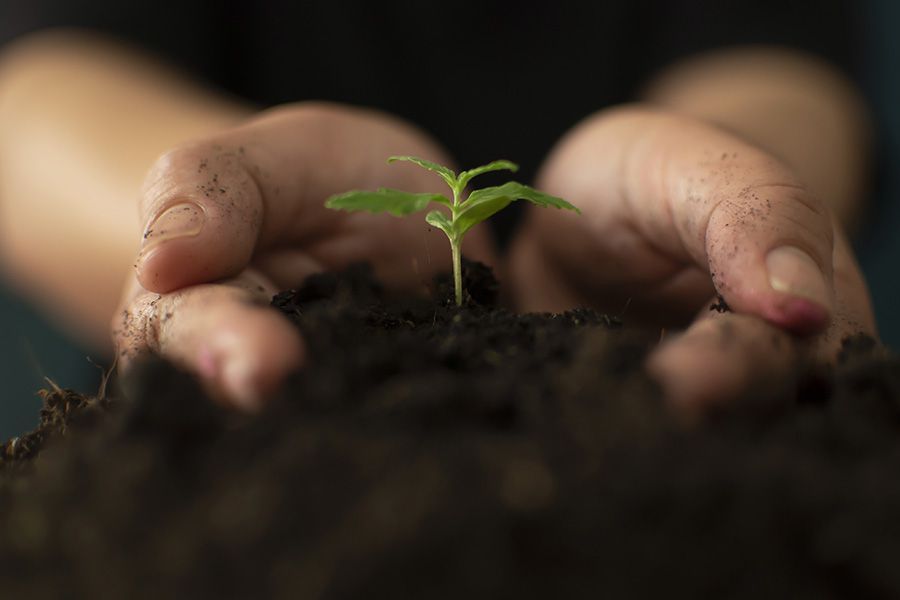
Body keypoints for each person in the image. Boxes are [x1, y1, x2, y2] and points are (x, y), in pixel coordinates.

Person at [0, 2, 875, 413]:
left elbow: (781, 64)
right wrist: (217, 210)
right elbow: (36, 96)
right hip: (221, 420)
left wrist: (728, 188)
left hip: (667, 386)